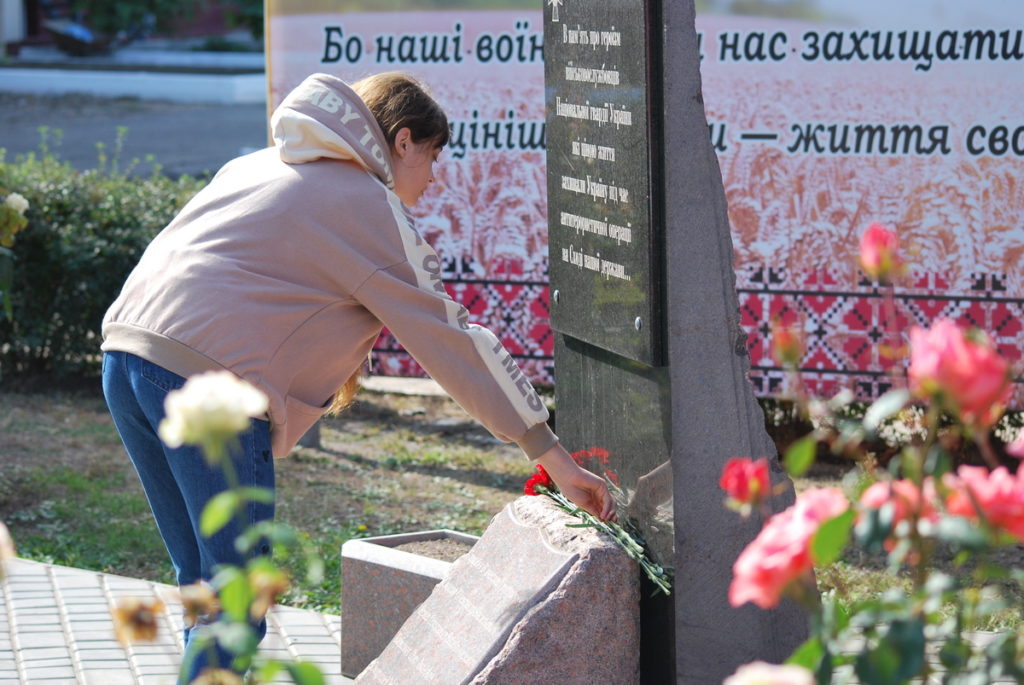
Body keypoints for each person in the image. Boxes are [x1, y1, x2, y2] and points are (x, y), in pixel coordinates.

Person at [100, 71, 615, 682]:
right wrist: (550, 452)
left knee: (208, 587)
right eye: (433, 155)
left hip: (126, 359)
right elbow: (456, 344)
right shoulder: (364, 203)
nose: (434, 175)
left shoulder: (259, 165)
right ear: (401, 142)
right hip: (206, 387)